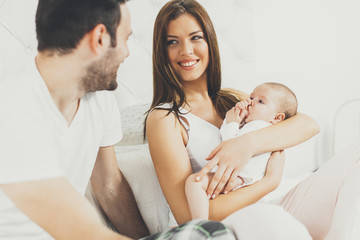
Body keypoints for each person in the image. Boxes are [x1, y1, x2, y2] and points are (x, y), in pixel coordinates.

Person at [0, 0, 236, 239]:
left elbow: (109, 187)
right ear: (100, 38)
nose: (127, 52)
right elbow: (78, 229)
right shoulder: (11, 109)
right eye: (125, 39)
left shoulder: (100, 101)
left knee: (213, 233)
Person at [146, 0, 360, 239]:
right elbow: (189, 216)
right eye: (172, 42)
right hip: (240, 216)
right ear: (161, 51)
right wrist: (268, 183)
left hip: (279, 203)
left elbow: (308, 125)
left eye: (196, 37)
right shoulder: (165, 118)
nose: (186, 50)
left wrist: (246, 145)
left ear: (209, 42)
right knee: (275, 222)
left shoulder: (233, 99)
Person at [185, 82, 298, 220]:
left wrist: (232, 121)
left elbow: (230, 145)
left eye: (260, 101)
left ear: (277, 118)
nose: (250, 103)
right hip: (247, 178)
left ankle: (199, 224)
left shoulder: (259, 126)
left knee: (194, 182)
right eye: (251, 97)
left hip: (242, 177)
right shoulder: (266, 130)